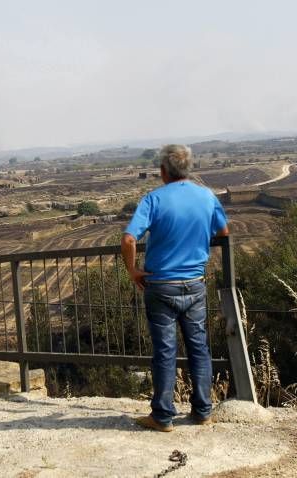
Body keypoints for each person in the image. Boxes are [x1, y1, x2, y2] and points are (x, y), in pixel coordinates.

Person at [122, 144, 229, 432]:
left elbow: (130, 239)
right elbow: (224, 232)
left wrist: (133, 271)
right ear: (188, 169)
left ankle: (162, 416)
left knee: (165, 351)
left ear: (162, 172)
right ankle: (203, 410)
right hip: (195, 284)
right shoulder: (206, 196)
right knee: (199, 349)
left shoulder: (153, 199)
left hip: (160, 286)